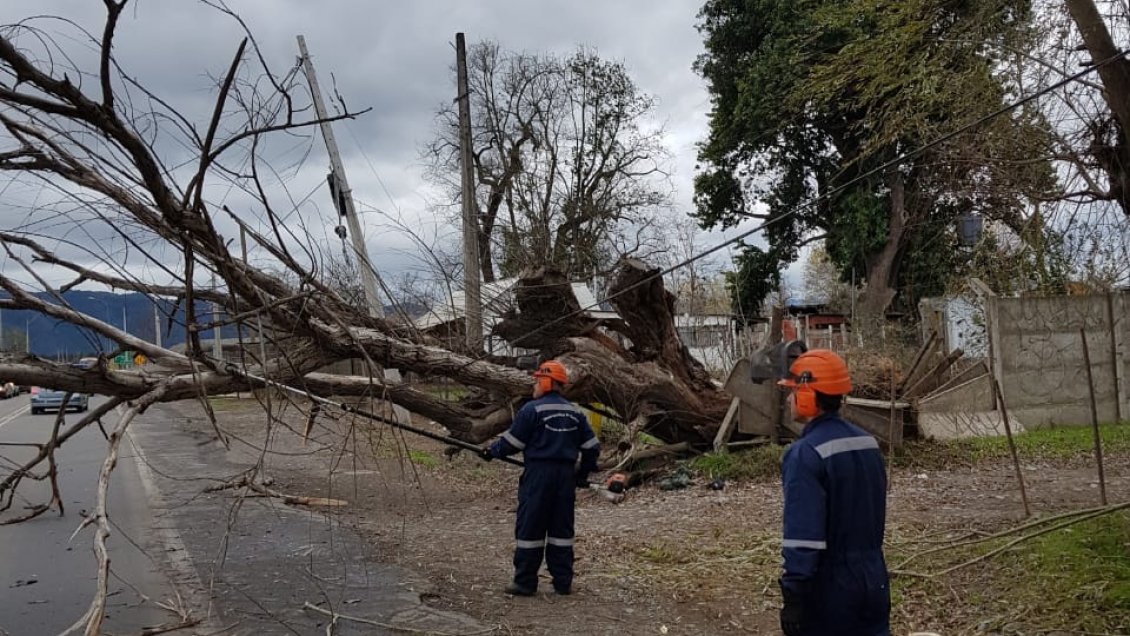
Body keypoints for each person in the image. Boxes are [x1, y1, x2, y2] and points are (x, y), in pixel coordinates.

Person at [776, 349, 890, 636]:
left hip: (831, 588)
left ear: (808, 396)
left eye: (793, 392)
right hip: (874, 578)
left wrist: (794, 594)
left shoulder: (805, 454)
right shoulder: (868, 443)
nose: (789, 399)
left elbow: (803, 537)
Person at [479, 359, 600, 596]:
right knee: (561, 531)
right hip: (565, 478)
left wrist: (490, 451)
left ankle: (524, 582)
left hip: (538, 476)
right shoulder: (575, 412)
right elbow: (592, 447)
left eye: (536, 380)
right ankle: (562, 582)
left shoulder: (531, 410)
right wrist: (582, 474)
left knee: (530, 528)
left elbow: (512, 443)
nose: (534, 385)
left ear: (547, 381)